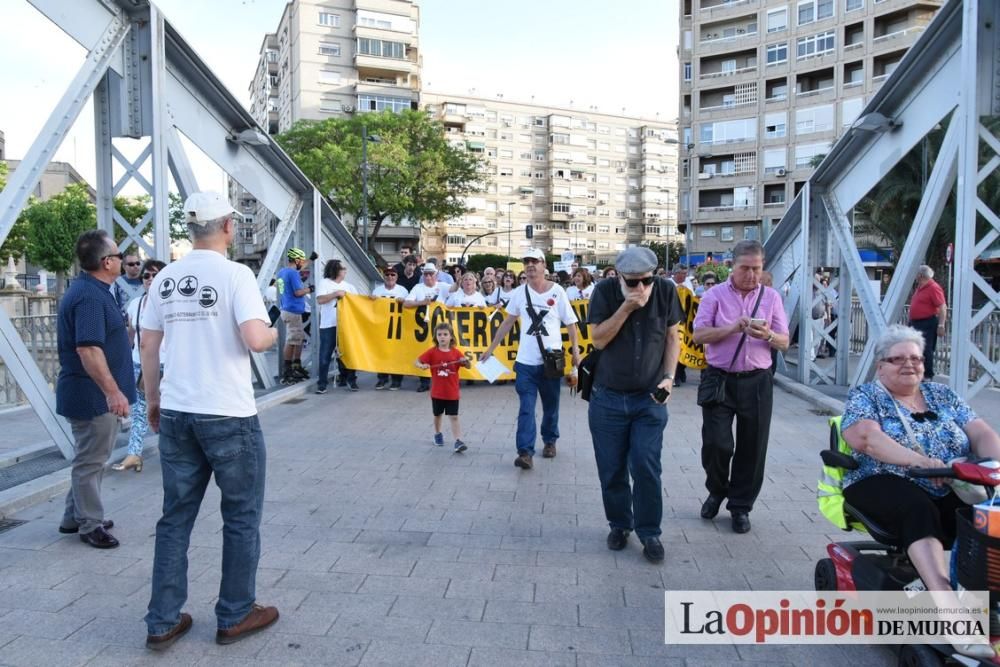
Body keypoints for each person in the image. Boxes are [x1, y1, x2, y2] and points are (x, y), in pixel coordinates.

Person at [140, 191, 280, 650]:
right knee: (240, 516)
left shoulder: (163, 280)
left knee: (174, 518)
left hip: (179, 411)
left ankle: (162, 621)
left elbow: (148, 348)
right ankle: (235, 614)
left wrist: (154, 401)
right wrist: (276, 328)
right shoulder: (236, 274)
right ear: (226, 226)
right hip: (228, 414)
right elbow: (257, 340)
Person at [840, 325, 1000, 661]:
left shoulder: (942, 395)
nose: (909, 364)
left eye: (915, 358)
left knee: (987, 510)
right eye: (897, 359)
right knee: (917, 508)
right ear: (880, 365)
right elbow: (866, 438)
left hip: (949, 479)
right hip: (880, 479)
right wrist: (920, 463)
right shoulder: (866, 396)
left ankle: (986, 597)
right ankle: (945, 604)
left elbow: (981, 432)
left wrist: (993, 464)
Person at [588, 247, 682, 564]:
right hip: (608, 398)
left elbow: (672, 338)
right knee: (612, 469)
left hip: (649, 397)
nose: (640, 288)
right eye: (632, 282)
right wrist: (626, 309)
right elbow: (598, 339)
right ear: (618, 276)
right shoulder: (603, 291)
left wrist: (669, 377)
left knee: (645, 464)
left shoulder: (667, 290)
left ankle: (649, 531)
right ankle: (619, 524)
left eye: (645, 280)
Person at [693, 240, 789, 534]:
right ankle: (717, 489)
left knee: (753, 447)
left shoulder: (771, 297)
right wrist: (732, 328)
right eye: (745, 268)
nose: (751, 274)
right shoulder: (714, 295)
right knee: (717, 444)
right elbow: (699, 335)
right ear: (731, 267)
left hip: (757, 381)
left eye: (757, 269)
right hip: (720, 379)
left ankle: (740, 506)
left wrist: (768, 334)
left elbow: (785, 341)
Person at [55, 230, 136, 548]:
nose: (121, 259)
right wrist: (113, 392)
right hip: (92, 395)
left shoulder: (96, 290)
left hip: (92, 393)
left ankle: (73, 516)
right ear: (107, 262)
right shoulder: (89, 296)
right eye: (118, 255)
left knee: (89, 457)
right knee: (90, 460)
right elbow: (88, 349)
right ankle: (89, 525)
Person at [481, 248, 582, 469]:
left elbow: (571, 324)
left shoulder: (557, 292)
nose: (530, 265)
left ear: (544, 265)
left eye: (534, 261)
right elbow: (508, 322)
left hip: (552, 360)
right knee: (526, 406)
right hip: (526, 362)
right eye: (526, 261)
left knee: (551, 405)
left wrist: (575, 352)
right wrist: (491, 348)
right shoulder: (519, 293)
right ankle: (525, 452)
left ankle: (550, 440)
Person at [114, 258, 167, 473]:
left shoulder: (170, 305)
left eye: (155, 275)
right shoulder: (136, 305)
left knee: (167, 413)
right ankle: (134, 454)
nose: (150, 279)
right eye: (146, 275)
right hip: (139, 364)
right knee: (139, 412)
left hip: (166, 364)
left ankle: (170, 452)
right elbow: (130, 335)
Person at [416, 322, 472, 453]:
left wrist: (466, 362)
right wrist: (421, 365)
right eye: (439, 334)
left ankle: (458, 441)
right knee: (437, 415)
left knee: (454, 417)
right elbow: (417, 361)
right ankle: (437, 434)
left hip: (452, 392)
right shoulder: (432, 352)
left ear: (451, 337)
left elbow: (468, 366)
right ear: (436, 337)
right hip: (437, 393)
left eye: (445, 334)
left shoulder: (456, 353)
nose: (442, 337)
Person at [315, 260, 358, 393]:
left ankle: (350, 380)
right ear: (336, 270)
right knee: (325, 356)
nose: (345, 271)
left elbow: (358, 302)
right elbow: (320, 299)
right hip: (328, 325)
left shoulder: (349, 286)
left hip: (346, 325)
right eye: (343, 268)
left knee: (348, 354)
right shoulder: (325, 283)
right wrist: (335, 294)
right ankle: (322, 384)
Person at [405, 263, 448, 392]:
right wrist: (422, 302)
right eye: (426, 274)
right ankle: (424, 381)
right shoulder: (418, 287)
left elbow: (455, 289)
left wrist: (460, 279)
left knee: (441, 353)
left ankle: (440, 380)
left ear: (436, 275)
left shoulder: (442, 286)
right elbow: (407, 303)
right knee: (424, 354)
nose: (428, 276)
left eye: (431, 274)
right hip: (423, 327)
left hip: (440, 328)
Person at [276, 248, 311, 384]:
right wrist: (309, 289)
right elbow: (297, 293)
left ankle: (296, 365)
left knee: (298, 338)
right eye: (301, 261)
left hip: (285, 308)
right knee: (291, 340)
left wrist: (311, 260)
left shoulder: (281, 272)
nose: (302, 263)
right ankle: (288, 370)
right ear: (296, 260)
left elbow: (283, 290)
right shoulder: (293, 274)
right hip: (293, 311)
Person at [370, 267, 409, 390]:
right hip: (381, 326)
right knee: (382, 353)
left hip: (397, 326)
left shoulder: (403, 290)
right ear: (384, 276)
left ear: (396, 277)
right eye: (387, 274)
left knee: (396, 354)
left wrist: (404, 301)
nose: (390, 277)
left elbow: (409, 306)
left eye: (392, 274)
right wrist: (371, 300)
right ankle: (382, 379)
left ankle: (396, 380)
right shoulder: (377, 290)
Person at [909, 264, 947, 379]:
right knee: (914, 348)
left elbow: (942, 307)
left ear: (920, 275)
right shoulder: (920, 287)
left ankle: (927, 375)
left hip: (927, 322)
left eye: (916, 274)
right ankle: (917, 372)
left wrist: (941, 325)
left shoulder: (933, 287)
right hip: (915, 322)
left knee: (926, 349)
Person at [112, 252, 145, 317]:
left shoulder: (146, 279)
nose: (135, 266)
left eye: (137, 263)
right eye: (131, 264)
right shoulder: (117, 282)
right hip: (123, 318)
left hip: (142, 318)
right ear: (124, 266)